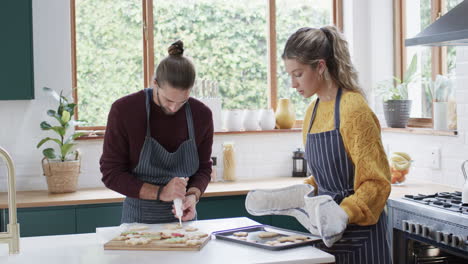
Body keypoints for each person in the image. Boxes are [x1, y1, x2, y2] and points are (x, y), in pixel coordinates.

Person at [246, 26, 391, 264]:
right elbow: (323, 177)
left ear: (320, 66)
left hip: (362, 238)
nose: (293, 83)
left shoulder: (353, 109)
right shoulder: (312, 111)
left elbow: (377, 182)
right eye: (289, 75)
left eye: (298, 74)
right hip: (326, 238)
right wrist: (301, 194)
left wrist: (343, 213)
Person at [100, 40, 213, 224]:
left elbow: (203, 168)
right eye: (168, 100)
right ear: (155, 84)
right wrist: (161, 193)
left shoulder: (202, 115)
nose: (175, 107)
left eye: (182, 101)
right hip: (137, 224)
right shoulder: (125, 110)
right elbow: (111, 173)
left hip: (185, 224)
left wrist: (192, 196)